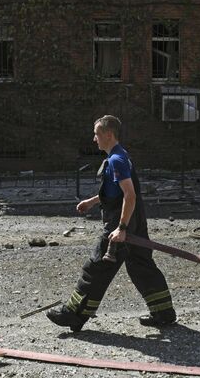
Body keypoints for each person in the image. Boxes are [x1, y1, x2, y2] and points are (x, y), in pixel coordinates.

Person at [46, 115, 176, 332]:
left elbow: (130, 195)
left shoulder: (116, 160)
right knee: (141, 266)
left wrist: (121, 228)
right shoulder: (120, 156)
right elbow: (115, 192)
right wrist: (91, 201)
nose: (94, 138)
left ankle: (74, 313)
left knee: (96, 268)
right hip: (135, 222)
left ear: (108, 134)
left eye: (96, 134)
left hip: (119, 225)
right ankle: (163, 312)